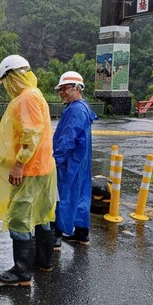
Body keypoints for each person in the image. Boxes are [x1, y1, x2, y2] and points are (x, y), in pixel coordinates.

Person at [0, 54, 57, 287]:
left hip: (29, 170)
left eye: (6, 81)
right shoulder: (36, 95)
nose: (6, 86)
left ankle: (21, 273)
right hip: (44, 168)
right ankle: (43, 262)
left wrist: (19, 163)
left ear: (13, 77)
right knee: (42, 216)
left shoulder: (26, 99)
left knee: (20, 219)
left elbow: (31, 134)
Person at [52, 71, 97, 249]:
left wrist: (56, 160)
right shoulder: (82, 107)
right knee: (81, 195)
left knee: (62, 196)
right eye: (60, 89)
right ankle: (81, 234)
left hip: (70, 162)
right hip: (80, 161)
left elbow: (68, 139)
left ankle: (55, 236)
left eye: (65, 88)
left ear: (77, 88)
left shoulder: (76, 110)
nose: (62, 92)